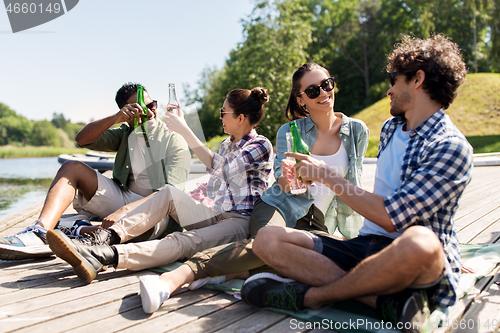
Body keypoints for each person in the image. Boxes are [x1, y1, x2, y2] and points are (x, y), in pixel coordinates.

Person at [241, 35, 473, 331]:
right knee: (267, 239)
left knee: (421, 242)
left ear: (417, 79)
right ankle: (380, 300)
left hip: (408, 254)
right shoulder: (391, 128)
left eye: (394, 78)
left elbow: (391, 218)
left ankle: (311, 296)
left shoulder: (450, 147)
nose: (389, 89)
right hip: (367, 245)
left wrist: (326, 175)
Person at [137, 62, 369, 314]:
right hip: (277, 207)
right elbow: (282, 183)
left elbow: (353, 184)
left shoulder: (356, 130)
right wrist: (290, 176)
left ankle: (232, 271)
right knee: (267, 242)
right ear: (302, 100)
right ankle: (175, 278)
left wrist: (351, 232)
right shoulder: (290, 131)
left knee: (327, 259)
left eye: (327, 84)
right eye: (313, 91)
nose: (324, 93)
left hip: (317, 223)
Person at [45, 87, 274, 297]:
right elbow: (216, 182)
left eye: (224, 112)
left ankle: (105, 256)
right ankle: (105, 238)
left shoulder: (260, 145)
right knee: (168, 194)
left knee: (184, 240)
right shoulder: (226, 144)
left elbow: (220, 167)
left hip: (239, 222)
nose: (220, 116)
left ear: (241, 118)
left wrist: (184, 130)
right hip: (215, 214)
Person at [0, 83, 191, 260]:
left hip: (157, 209)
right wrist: (115, 119)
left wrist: (124, 211)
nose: (149, 112)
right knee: (71, 167)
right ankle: (41, 232)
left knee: (140, 231)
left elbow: (170, 194)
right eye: (139, 109)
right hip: (123, 197)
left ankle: (79, 231)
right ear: (127, 112)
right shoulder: (124, 133)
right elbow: (82, 139)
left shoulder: (174, 140)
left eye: (151, 105)